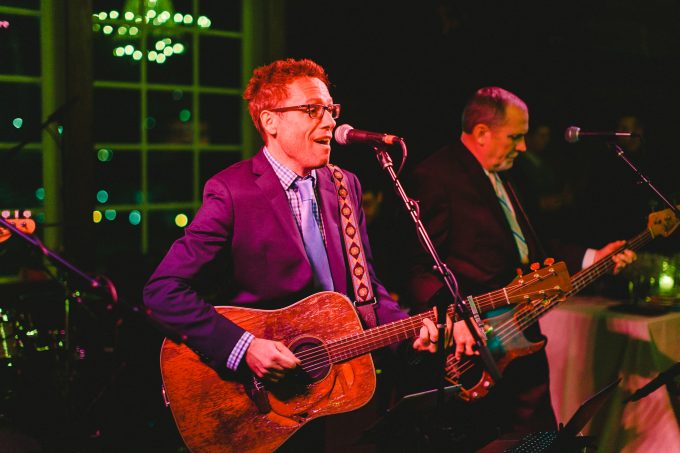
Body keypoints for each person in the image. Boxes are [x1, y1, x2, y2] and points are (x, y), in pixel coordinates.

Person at [143, 58, 451, 451]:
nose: (328, 122)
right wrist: (244, 347)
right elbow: (162, 290)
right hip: (261, 400)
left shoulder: (345, 186)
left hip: (337, 391)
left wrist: (410, 333)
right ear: (270, 122)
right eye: (311, 109)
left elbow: (367, 290)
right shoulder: (232, 192)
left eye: (330, 110)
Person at [406, 87, 636, 451]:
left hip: (524, 327)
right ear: (482, 133)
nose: (524, 147)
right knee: (494, 440)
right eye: (515, 136)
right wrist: (452, 316)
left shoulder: (506, 173)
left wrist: (594, 256)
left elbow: (532, 249)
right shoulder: (436, 175)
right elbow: (419, 266)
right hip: (477, 346)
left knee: (539, 437)